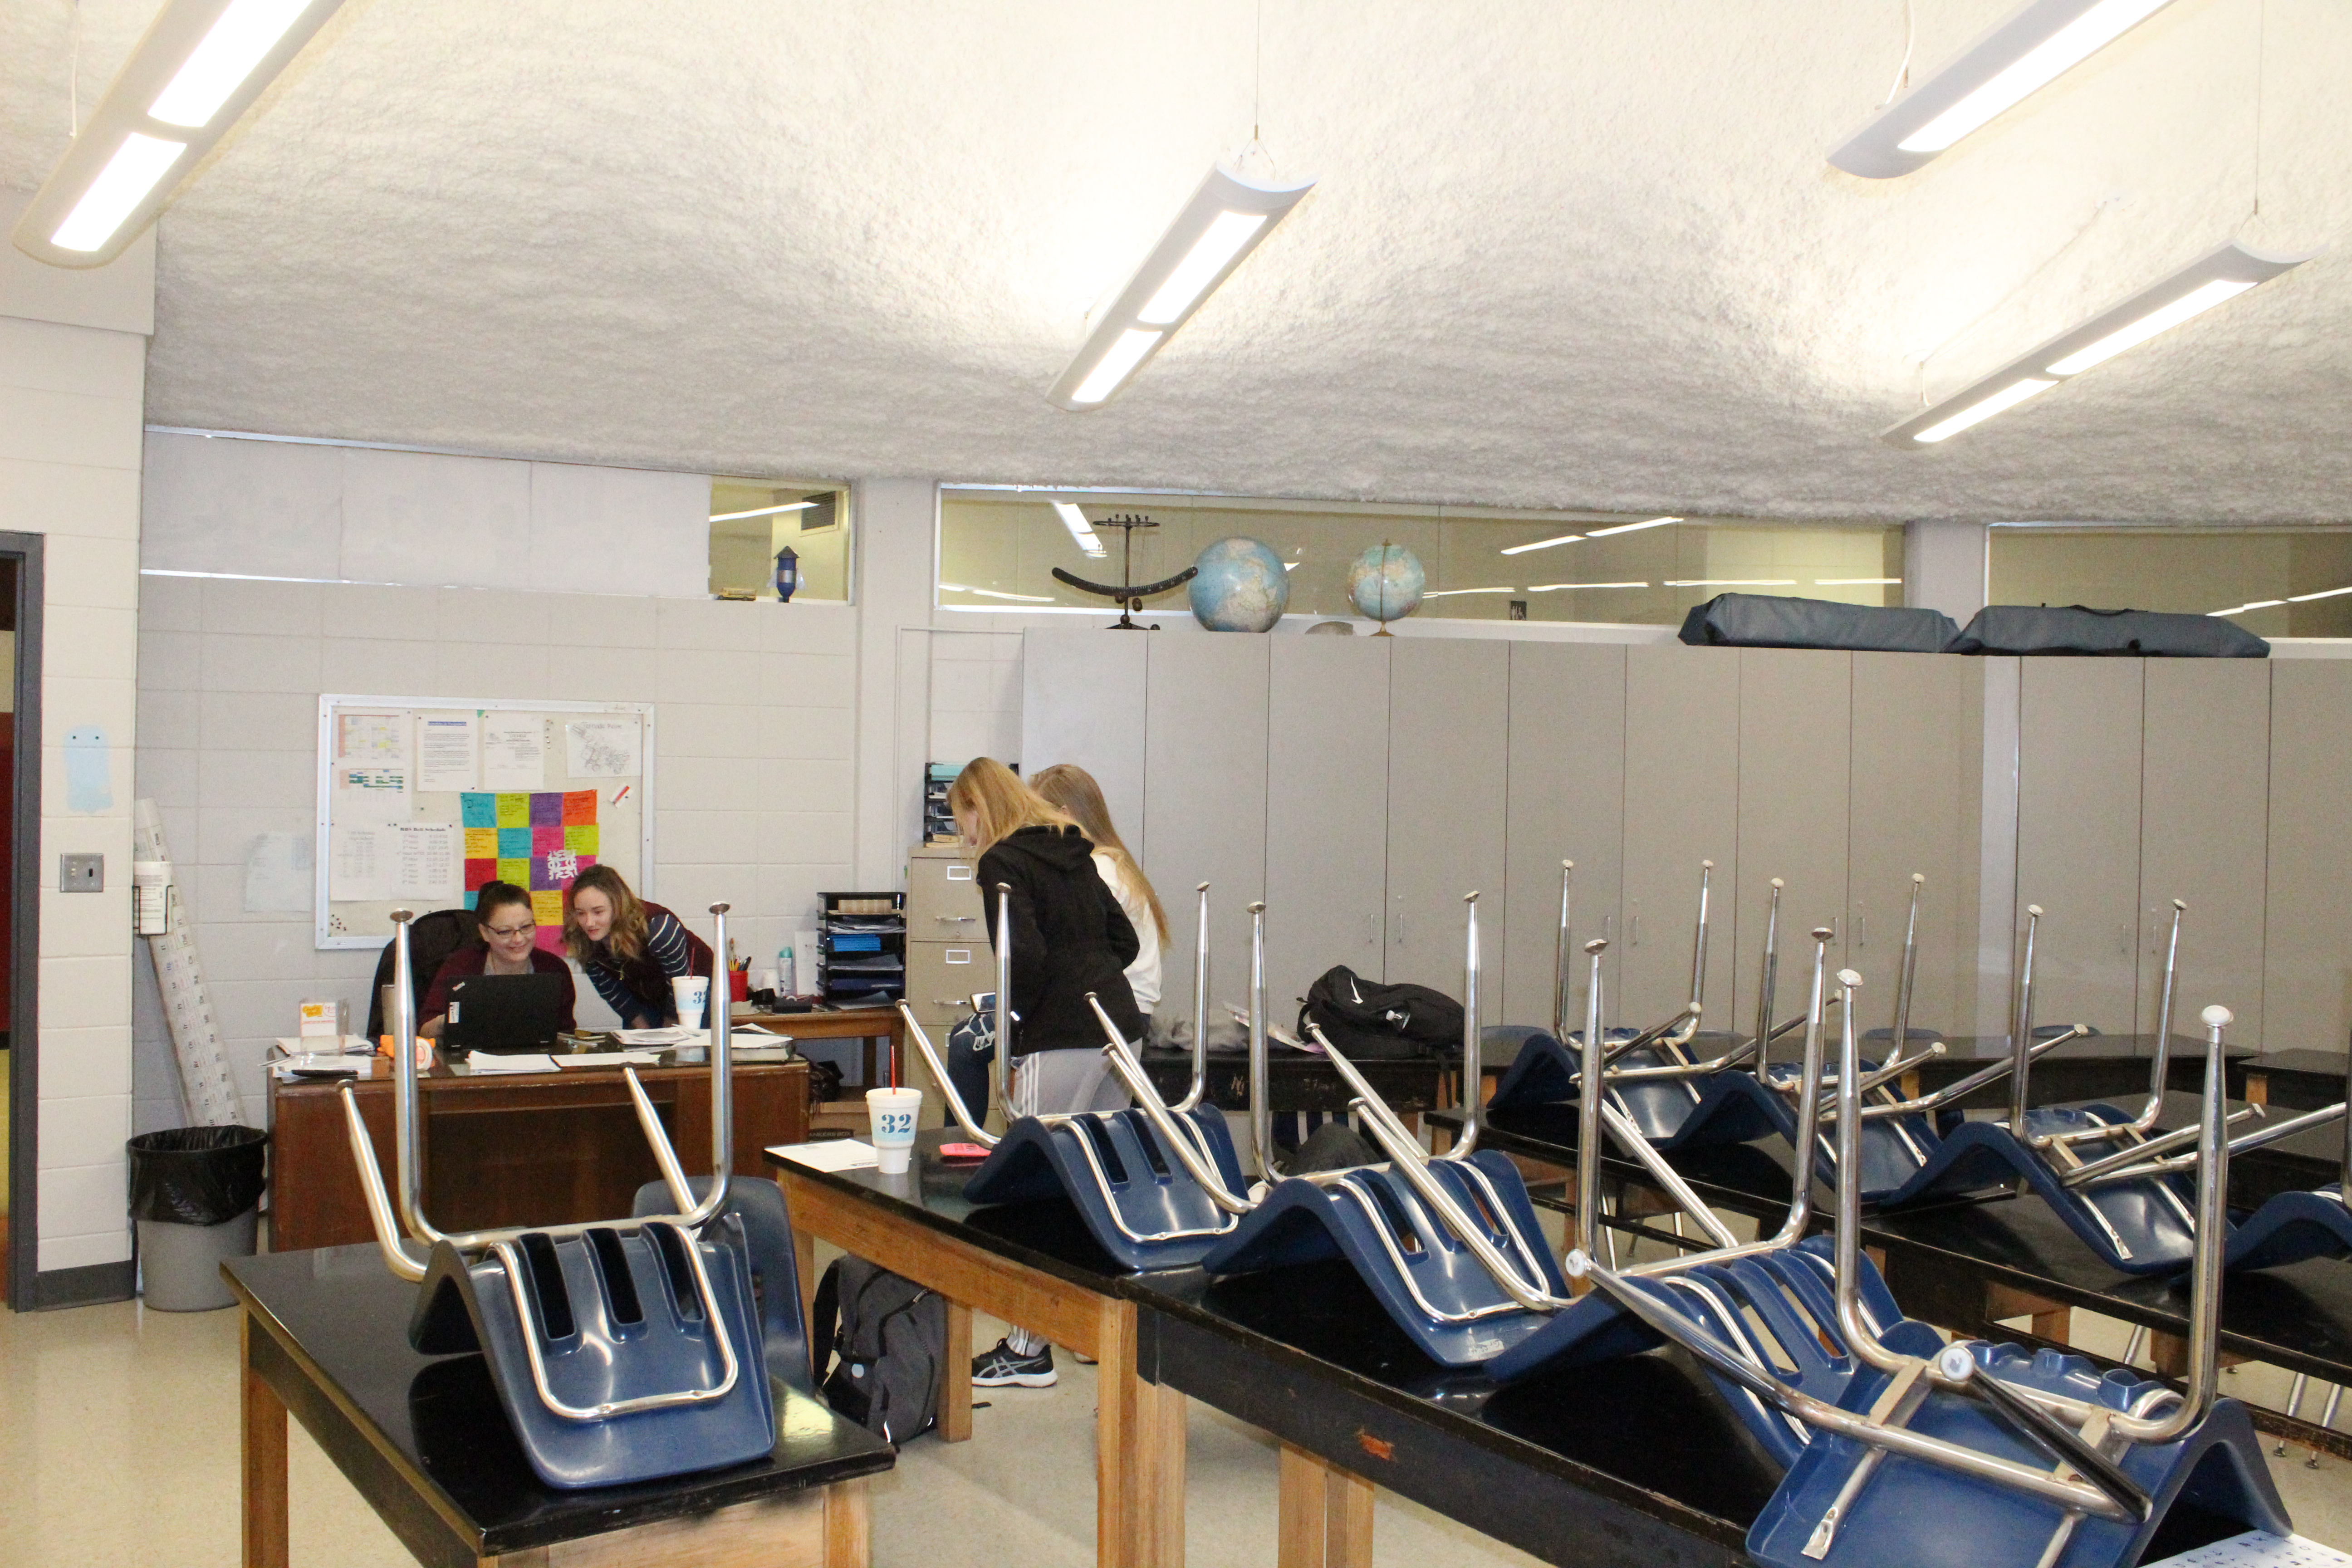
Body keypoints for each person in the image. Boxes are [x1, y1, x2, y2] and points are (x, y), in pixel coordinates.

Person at [948, 757, 1141, 1390]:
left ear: (981, 807)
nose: (962, 836)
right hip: (1116, 1027)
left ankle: (1029, 1347)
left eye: (961, 820)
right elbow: (1126, 942)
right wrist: (1086, 977)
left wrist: (1022, 1013)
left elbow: (1020, 959)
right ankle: (1105, 1327)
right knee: (1100, 1179)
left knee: (1032, 1185)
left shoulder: (1002, 865)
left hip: (1056, 1037)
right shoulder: (1072, 849)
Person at [1029, 763, 1166, 1037]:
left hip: (1114, 1012)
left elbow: (1077, 958)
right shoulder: (1110, 863)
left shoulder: (1096, 870)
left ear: (1064, 816)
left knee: (969, 1044)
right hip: (1121, 1008)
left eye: (1037, 819)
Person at [419, 881, 577, 1038]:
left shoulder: (555, 968)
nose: (518, 939)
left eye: (526, 927)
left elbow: (566, 1033)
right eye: (505, 931)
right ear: (485, 933)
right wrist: (453, 1019)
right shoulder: (460, 966)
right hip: (472, 1059)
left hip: (539, 1059)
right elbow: (424, 1030)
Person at [563, 865, 714, 1029]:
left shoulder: (659, 928)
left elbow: (680, 987)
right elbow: (612, 992)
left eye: (598, 912)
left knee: (684, 1049)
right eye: (580, 913)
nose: (589, 923)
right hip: (644, 997)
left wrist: (667, 1036)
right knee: (639, 1047)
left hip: (693, 994)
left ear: (618, 907)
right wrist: (644, 1032)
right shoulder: (581, 937)